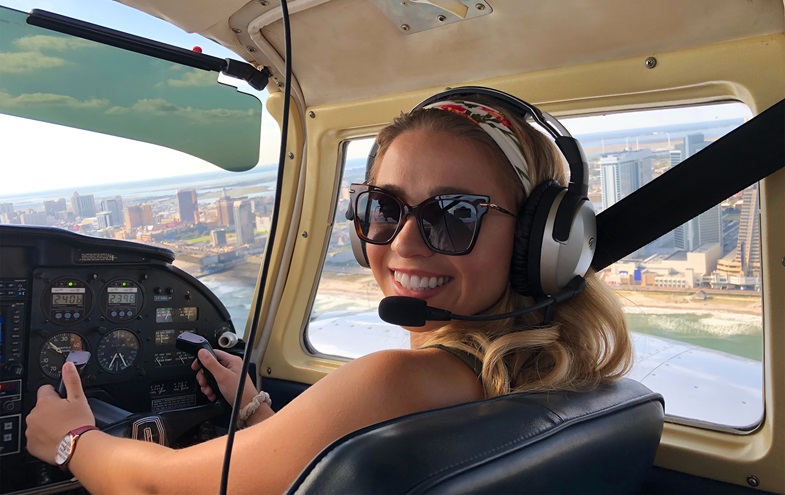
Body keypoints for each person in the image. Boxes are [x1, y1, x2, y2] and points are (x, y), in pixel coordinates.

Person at [25, 88, 632, 494]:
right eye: (384, 208)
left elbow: (161, 485)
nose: (405, 243)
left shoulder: (398, 380)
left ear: (540, 241)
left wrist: (71, 440)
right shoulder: (566, 380)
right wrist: (259, 414)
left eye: (455, 214)